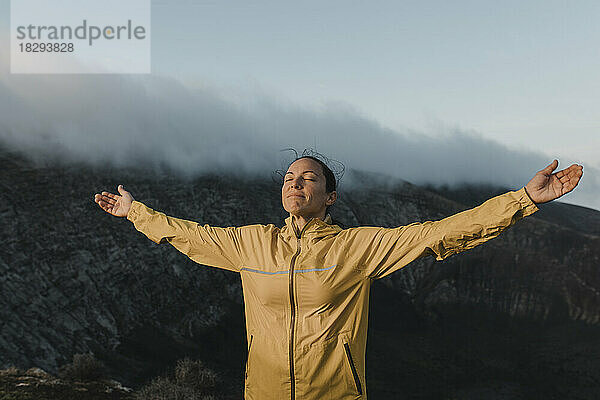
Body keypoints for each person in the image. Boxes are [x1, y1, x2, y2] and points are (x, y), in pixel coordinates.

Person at [94, 154, 583, 400]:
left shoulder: (355, 248)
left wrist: (525, 200)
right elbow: (189, 235)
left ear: (329, 197)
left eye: (308, 178)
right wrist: (136, 212)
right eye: (289, 177)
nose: (295, 183)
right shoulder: (251, 243)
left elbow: (439, 232)